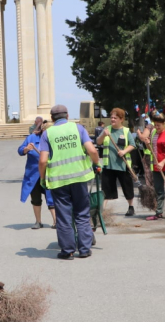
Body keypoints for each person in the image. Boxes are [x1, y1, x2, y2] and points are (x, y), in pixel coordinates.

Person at [38, 104, 101, 260]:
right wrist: (96, 164)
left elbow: (43, 161)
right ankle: (84, 249)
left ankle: (68, 251)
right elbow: (92, 150)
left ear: (52, 118)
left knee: (64, 216)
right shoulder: (78, 129)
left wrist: (43, 178)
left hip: (59, 182)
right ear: (67, 116)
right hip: (79, 179)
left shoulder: (47, 134)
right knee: (82, 213)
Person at [96, 108, 136, 216]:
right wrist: (103, 135)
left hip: (123, 165)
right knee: (106, 189)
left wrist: (124, 151)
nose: (112, 119)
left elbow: (132, 145)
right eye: (112, 117)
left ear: (121, 119)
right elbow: (98, 142)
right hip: (108, 165)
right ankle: (102, 210)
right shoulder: (106, 130)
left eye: (115, 118)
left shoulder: (126, 131)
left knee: (127, 187)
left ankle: (131, 207)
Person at [18, 122, 56, 229]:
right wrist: (26, 149)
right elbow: (20, 150)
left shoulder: (54, 139)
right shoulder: (32, 138)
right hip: (34, 175)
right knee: (35, 198)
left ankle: (56, 221)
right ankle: (38, 222)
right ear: (42, 130)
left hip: (49, 174)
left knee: (51, 198)